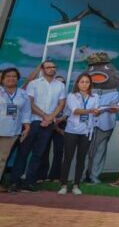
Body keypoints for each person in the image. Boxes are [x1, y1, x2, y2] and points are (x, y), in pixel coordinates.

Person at [10, 61, 65, 192]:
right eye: (48, 67)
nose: (52, 69)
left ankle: (29, 182)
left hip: (48, 124)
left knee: (38, 154)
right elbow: (29, 103)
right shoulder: (34, 84)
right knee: (23, 153)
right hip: (33, 121)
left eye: (53, 67)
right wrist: (45, 116)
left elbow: (61, 104)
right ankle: (14, 182)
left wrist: (50, 118)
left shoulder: (60, 86)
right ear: (42, 69)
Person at [57, 74, 101, 195]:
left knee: (81, 159)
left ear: (90, 84)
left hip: (87, 132)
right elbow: (75, 111)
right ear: (77, 83)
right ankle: (64, 185)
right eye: (82, 82)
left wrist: (97, 112)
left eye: (87, 82)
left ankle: (76, 184)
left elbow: (96, 112)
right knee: (67, 158)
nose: (84, 84)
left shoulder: (95, 96)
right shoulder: (71, 96)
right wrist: (92, 111)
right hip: (72, 131)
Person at [0, 68, 31, 192]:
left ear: (18, 79)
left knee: (2, 158)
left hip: (11, 131)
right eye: (8, 76)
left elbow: (26, 111)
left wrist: (27, 126)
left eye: (14, 76)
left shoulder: (23, 94)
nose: (11, 78)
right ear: (2, 79)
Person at [85, 80, 119, 184]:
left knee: (100, 151)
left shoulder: (114, 92)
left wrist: (104, 108)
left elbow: (115, 108)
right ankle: (82, 175)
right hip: (88, 126)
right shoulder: (86, 89)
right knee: (86, 151)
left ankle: (94, 176)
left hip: (104, 126)